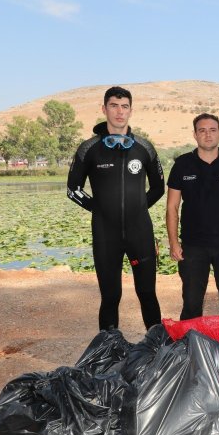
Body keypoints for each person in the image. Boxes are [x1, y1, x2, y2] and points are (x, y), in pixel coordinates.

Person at [66, 86, 165, 331]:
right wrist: (99, 209)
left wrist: (138, 209)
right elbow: (72, 189)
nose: (119, 112)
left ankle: (157, 350)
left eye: (124, 107)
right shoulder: (89, 148)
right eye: (114, 106)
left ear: (130, 111)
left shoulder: (145, 148)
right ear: (104, 109)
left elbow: (158, 188)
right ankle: (108, 353)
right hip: (105, 234)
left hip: (139, 232)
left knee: (147, 294)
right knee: (110, 297)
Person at [166, 113, 219, 323]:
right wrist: (173, 242)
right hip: (193, 246)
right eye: (202, 130)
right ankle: (188, 350)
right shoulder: (182, 165)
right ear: (195, 134)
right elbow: (172, 207)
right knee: (191, 305)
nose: (207, 135)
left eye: (212, 130)